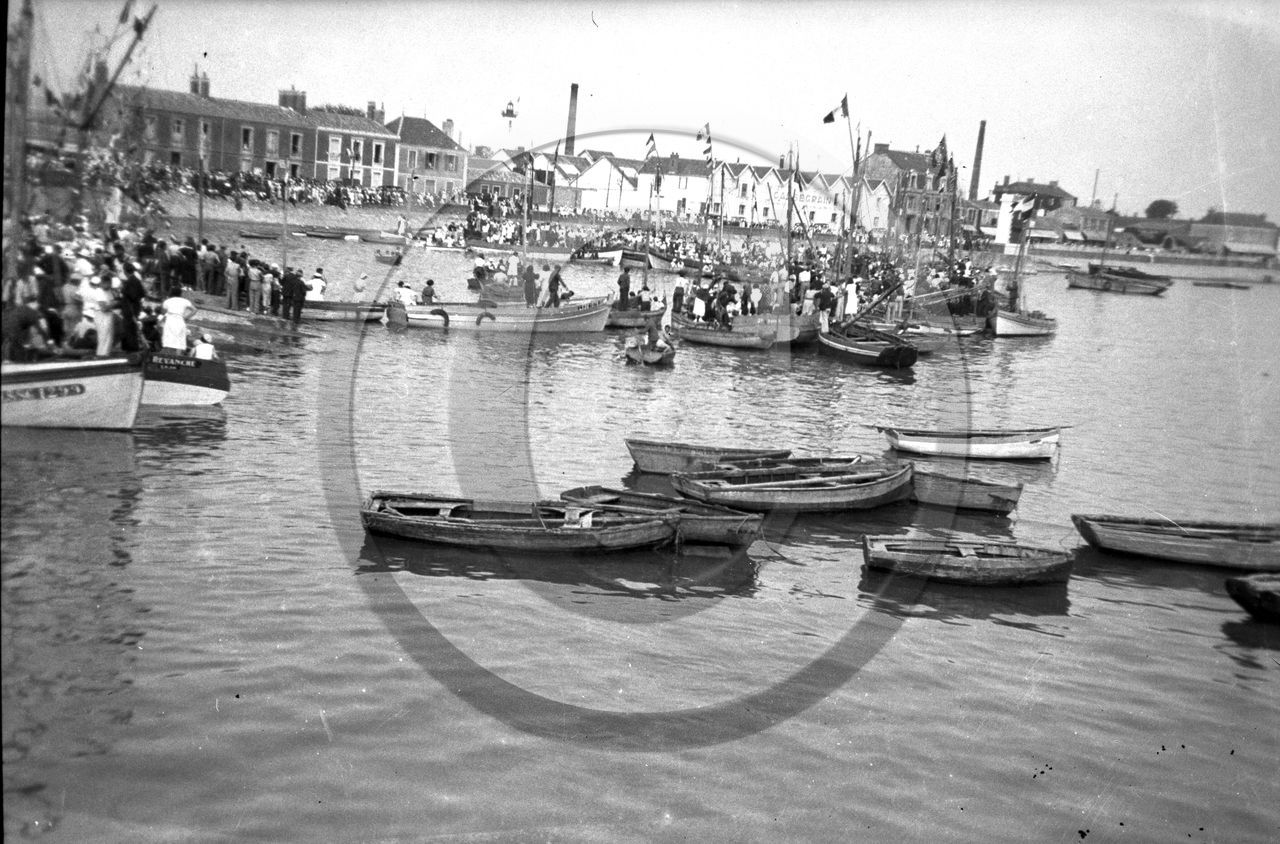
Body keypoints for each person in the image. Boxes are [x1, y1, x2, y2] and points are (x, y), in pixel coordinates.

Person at [160, 285, 197, 351]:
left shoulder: (167, 301)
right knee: (179, 342)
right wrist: (186, 317)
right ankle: (178, 356)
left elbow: (163, 312)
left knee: (168, 341)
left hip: (170, 321)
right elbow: (194, 310)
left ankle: (167, 355)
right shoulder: (185, 301)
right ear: (180, 293)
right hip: (180, 321)